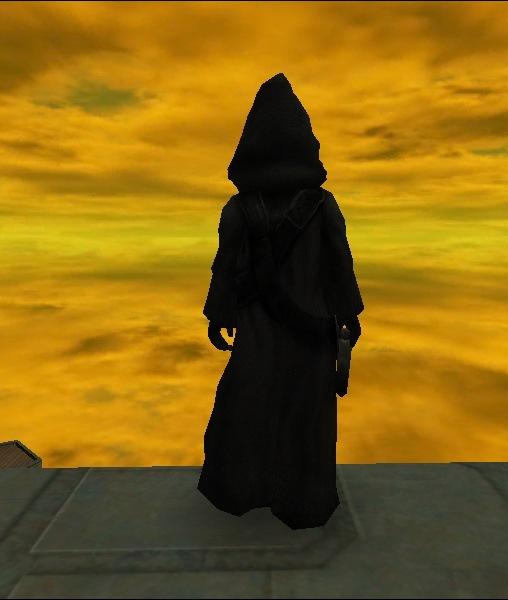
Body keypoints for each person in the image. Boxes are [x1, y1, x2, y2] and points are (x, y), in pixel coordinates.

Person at [198, 73, 364, 530]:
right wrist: (348, 314)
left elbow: (224, 267)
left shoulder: (238, 209)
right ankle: (303, 501)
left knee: (249, 403)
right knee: (305, 412)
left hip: (259, 329)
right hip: (312, 328)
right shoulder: (323, 205)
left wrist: (218, 314)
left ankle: (241, 490)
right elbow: (339, 264)